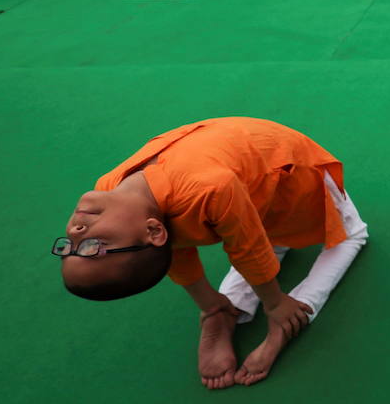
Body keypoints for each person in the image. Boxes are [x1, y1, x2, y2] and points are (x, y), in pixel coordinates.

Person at [55, 117, 368, 389]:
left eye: (70, 246)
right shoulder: (130, 211)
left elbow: (247, 246)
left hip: (295, 173)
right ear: (154, 231)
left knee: (349, 235)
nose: (76, 234)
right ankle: (217, 310)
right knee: (233, 241)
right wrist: (207, 300)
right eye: (90, 249)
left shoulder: (193, 189)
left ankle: (287, 316)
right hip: (248, 201)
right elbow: (173, 250)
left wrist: (275, 303)